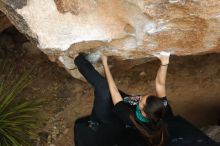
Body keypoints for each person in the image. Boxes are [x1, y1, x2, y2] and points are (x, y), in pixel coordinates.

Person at [74, 52, 173, 146]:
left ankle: (76, 57)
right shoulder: (162, 106)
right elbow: (160, 84)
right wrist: (164, 63)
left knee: (103, 86)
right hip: (123, 103)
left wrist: (105, 64)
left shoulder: (129, 117)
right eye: (144, 96)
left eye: (141, 100)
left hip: (109, 116)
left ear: (143, 112)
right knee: (107, 91)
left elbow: (114, 90)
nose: (140, 97)